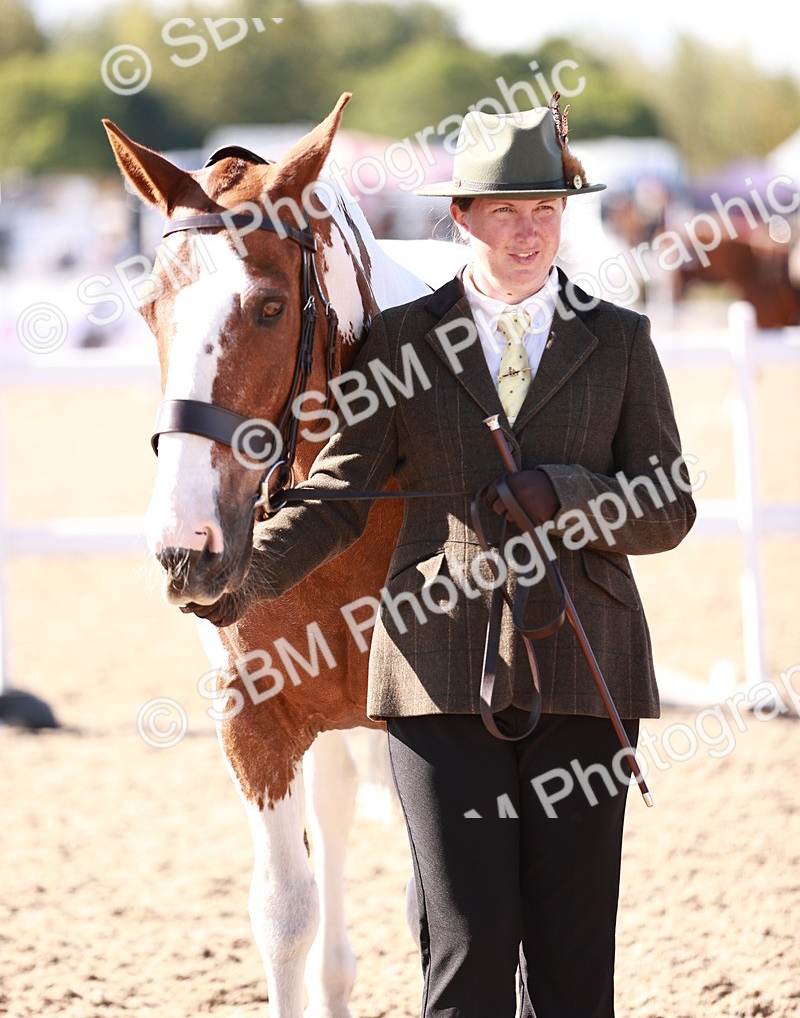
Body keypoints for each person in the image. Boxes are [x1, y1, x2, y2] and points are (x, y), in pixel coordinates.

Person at [191, 98, 696, 1017]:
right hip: (436, 678)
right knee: (464, 950)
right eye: (505, 209)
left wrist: (566, 496)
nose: (528, 229)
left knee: (574, 964)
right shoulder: (400, 341)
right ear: (462, 215)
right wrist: (241, 578)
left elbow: (669, 504)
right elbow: (337, 502)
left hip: (586, 669)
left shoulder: (621, 340)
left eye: (545, 208)